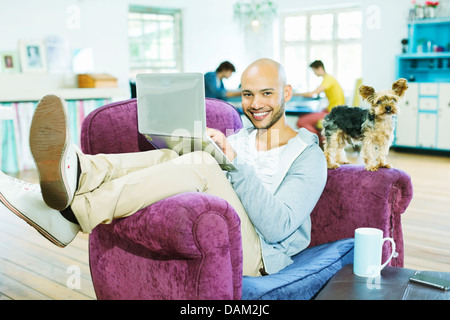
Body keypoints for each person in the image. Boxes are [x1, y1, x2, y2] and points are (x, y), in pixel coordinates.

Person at [0, 58, 327, 277]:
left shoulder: (308, 155)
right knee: (179, 156)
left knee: (202, 163)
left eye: (266, 93)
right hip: (225, 223)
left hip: (260, 256)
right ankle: (80, 170)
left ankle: (72, 215)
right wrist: (201, 146)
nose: (255, 104)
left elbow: (279, 226)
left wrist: (232, 163)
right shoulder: (239, 136)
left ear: (286, 92)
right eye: (247, 94)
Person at [295, 60, 345, 139]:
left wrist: (294, 94)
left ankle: (316, 141)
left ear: (320, 68)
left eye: (314, 70)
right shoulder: (328, 78)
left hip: (334, 113)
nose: (314, 73)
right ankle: (319, 139)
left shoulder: (328, 79)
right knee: (304, 117)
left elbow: (313, 94)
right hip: (331, 110)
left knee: (301, 121)